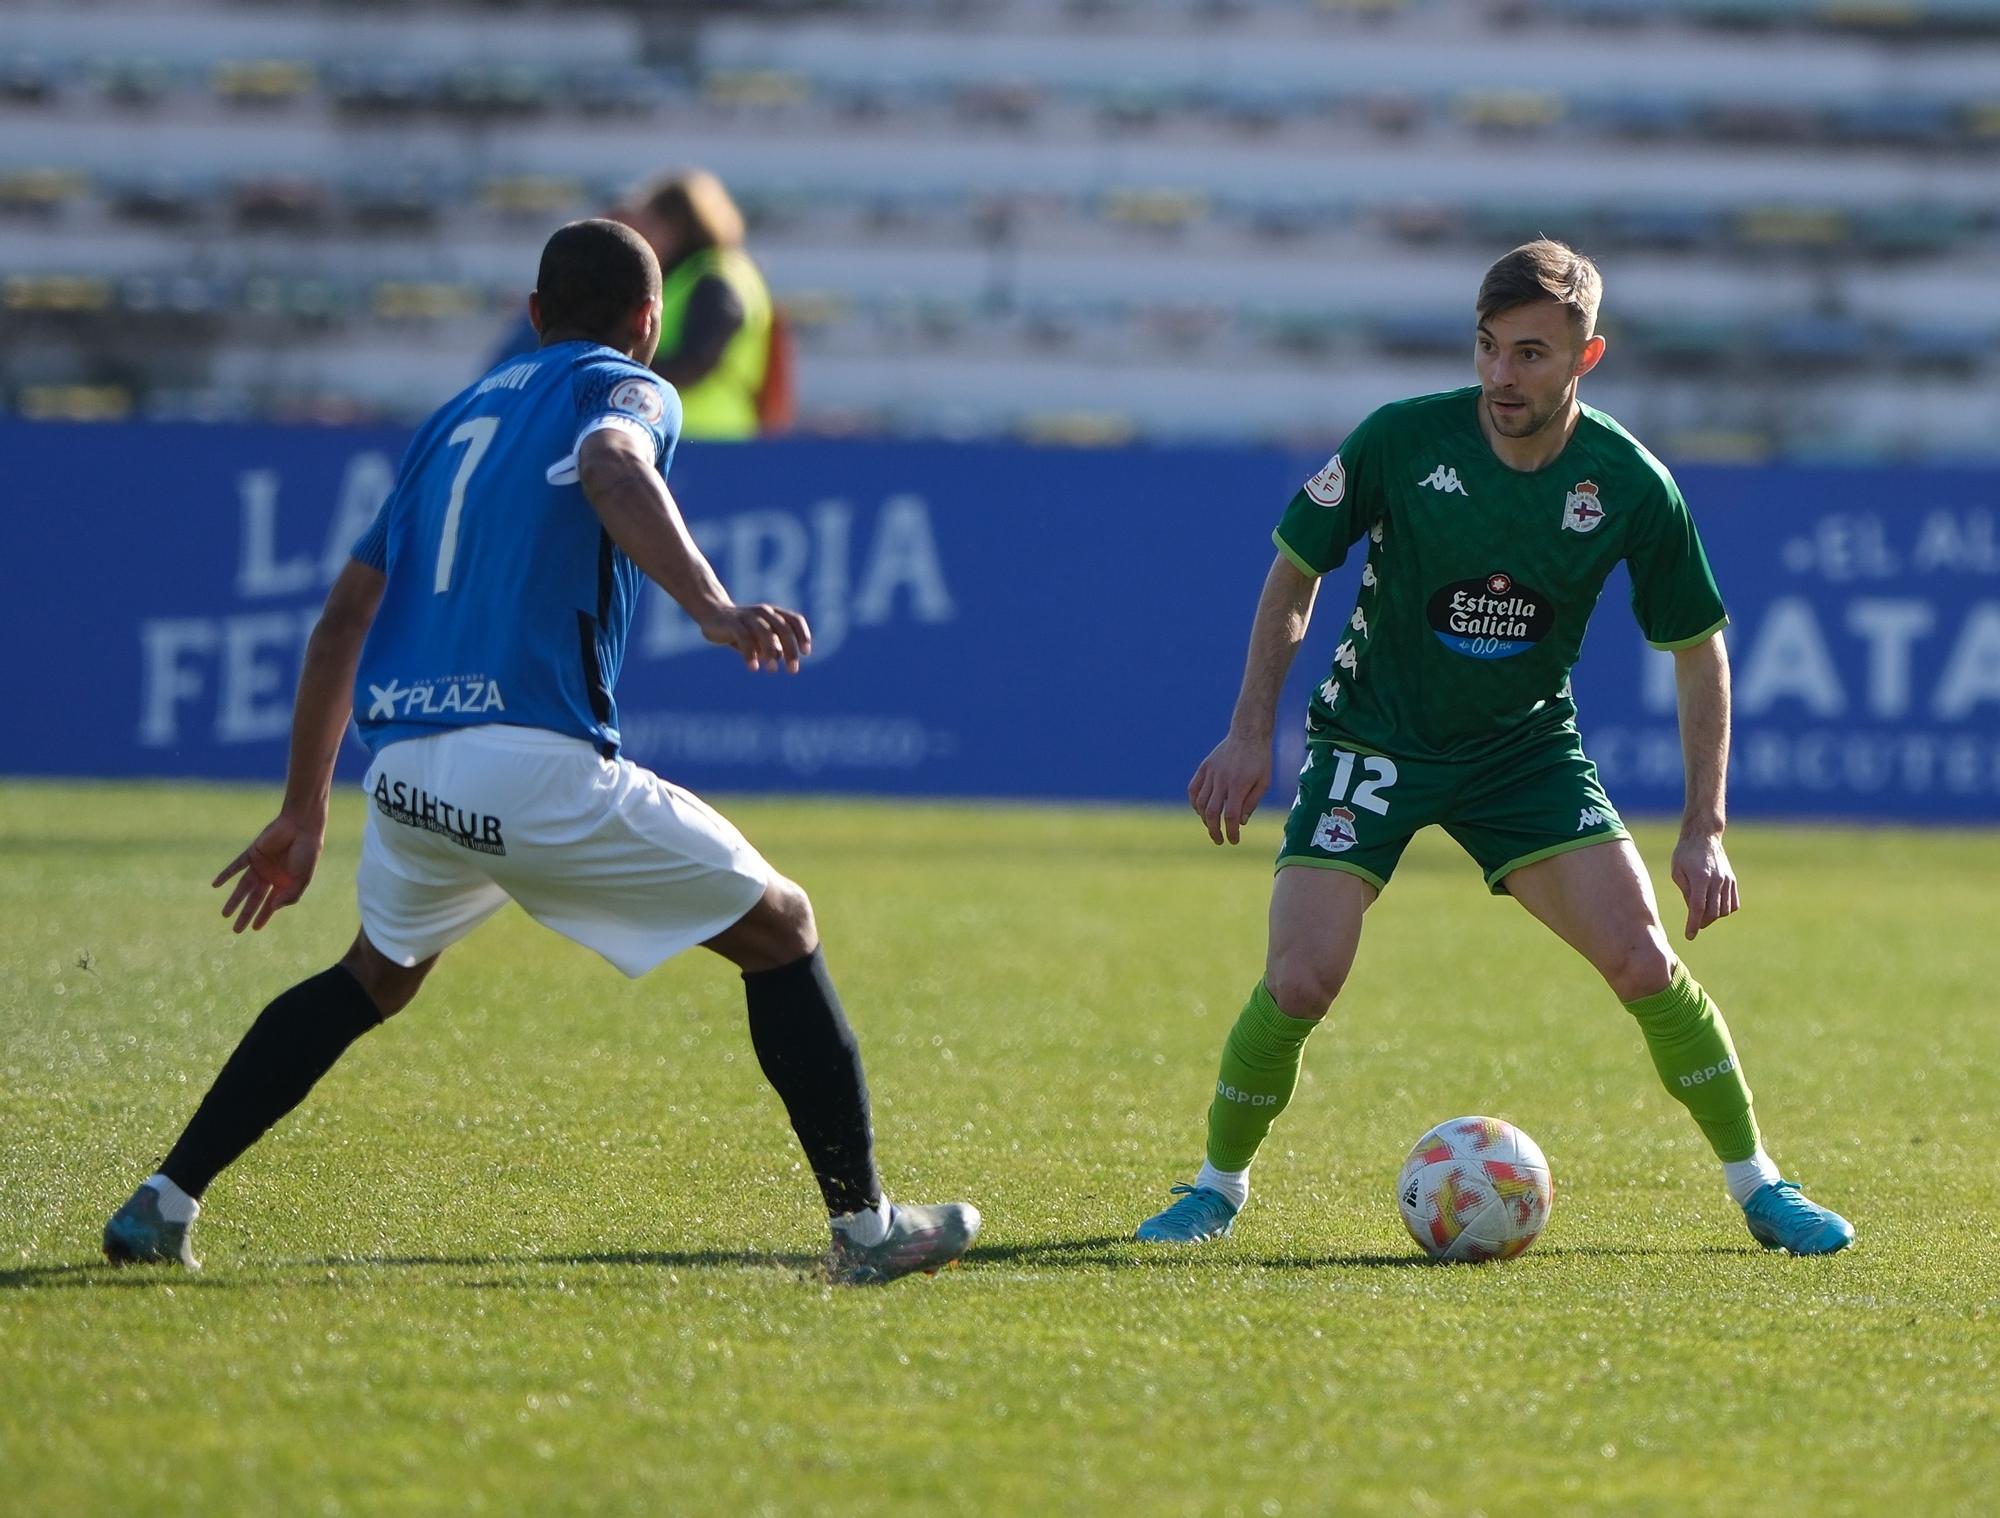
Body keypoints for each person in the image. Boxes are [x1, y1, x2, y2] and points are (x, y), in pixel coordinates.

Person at [103, 219, 977, 1285]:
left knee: (374, 975)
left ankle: (165, 1197)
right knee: (779, 925)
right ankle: (866, 1231)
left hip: (408, 774)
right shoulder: (623, 387)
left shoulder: (455, 415)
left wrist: (304, 809)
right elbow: (614, 465)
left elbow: (339, 625)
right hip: (527, 763)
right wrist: (711, 606)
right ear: (649, 324)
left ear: (530, 313)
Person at [1134, 239, 1853, 1256]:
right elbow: (1293, 575)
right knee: (1300, 981)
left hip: (1520, 751)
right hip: (1371, 737)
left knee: (1643, 958)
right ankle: (1214, 1187)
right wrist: (1250, 731)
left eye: (1527, 354)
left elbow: (1699, 653)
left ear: (1582, 359)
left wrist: (1704, 832)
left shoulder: (1628, 484)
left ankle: (1758, 1187)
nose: (1499, 376)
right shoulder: (1399, 441)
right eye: (1486, 349)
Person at [486, 170, 790, 439]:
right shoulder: (694, 274)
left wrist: (606, 372)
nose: (643, 235)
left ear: (677, 225)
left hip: (705, 434)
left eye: (651, 223)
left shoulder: (716, 276)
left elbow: (696, 360)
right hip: (695, 429)